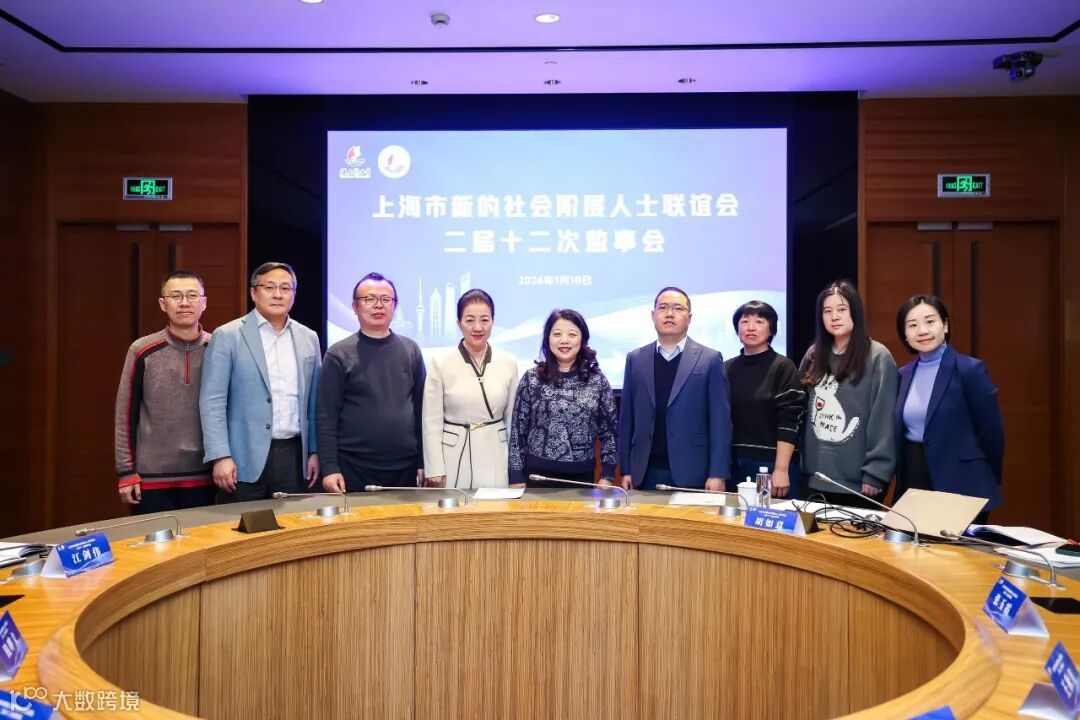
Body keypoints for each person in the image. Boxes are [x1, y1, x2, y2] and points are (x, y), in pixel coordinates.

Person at [200, 262, 321, 501]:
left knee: (292, 523)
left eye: (285, 288)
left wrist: (314, 451)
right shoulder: (228, 335)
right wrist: (220, 455)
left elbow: (314, 402)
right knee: (244, 523)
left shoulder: (309, 337)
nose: (278, 294)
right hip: (241, 457)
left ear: (294, 294)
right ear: (254, 293)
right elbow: (212, 401)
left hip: (294, 455)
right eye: (270, 287)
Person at [894, 294, 1004, 521]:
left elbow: (992, 434)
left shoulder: (970, 370)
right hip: (914, 479)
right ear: (905, 334)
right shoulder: (903, 375)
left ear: (945, 325)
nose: (922, 331)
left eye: (930, 321)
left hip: (962, 482)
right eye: (912, 325)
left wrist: (984, 475)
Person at [114, 270, 214, 513]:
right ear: (162, 303)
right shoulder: (142, 350)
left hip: (207, 475)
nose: (184, 303)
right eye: (176, 296)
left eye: (192, 295)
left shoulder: (218, 348)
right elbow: (125, 414)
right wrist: (126, 471)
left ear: (204, 302)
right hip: (151, 479)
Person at [318, 272, 426, 493]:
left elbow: (422, 409)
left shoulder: (410, 350)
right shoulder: (338, 354)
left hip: (405, 467)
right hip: (353, 468)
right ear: (355, 306)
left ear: (394, 306)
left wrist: (424, 462)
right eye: (369, 299)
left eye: (386, 299)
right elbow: (326, 415)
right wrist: (329, 468)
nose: (379, 305)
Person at [619, 287, 731, 491]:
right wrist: (626, 469)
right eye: (663, 308)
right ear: (653, 315)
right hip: (644, 471)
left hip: (694, 471)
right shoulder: (635, 359)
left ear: (689, 317)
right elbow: (627, 419)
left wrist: (718, 473)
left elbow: (720, 422)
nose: (669, 314)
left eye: (678, 308)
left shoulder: (710, 359)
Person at [800, 279, 898, 508]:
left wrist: (876, 472)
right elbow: (800, 410)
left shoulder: (878, 356)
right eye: (827, 311)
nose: (834, 317)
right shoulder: (814, 355)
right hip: (816, 478)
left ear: (855, 312)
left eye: (841, 309)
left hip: (859, 484)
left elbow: (883, 419)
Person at [509, 309, 617, 488]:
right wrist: (515, 476)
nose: (564, 340)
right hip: (537, 476)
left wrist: (608, 473)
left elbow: (610, 432)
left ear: (582, 339)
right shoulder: (532, 378)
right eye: (557, 334)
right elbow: (517, 432)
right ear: (547, 338)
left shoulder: (597, 380)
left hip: (581, 477)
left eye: (572, 334)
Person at [423, 289, 518, 489]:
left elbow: (512, 420)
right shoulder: (440, 363)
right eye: (469, 320)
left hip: (495, 452)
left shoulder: (508, 362)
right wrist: (434, 469)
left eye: (484, 320)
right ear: (459, 324)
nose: (478, 327)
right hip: (453, 454)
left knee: (495, 507)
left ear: (493, 321)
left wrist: (516, 469)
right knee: (455, 508)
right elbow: (431, 421)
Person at [725, 300, 805, 498]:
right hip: (733, 465)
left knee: (770, 516)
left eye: (759, 321)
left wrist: (781, 469)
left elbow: (790, 421)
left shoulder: (783, 367)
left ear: (771, 329)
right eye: (745, 322)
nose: (751, 327)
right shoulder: (726, 368)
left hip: (771, 466)